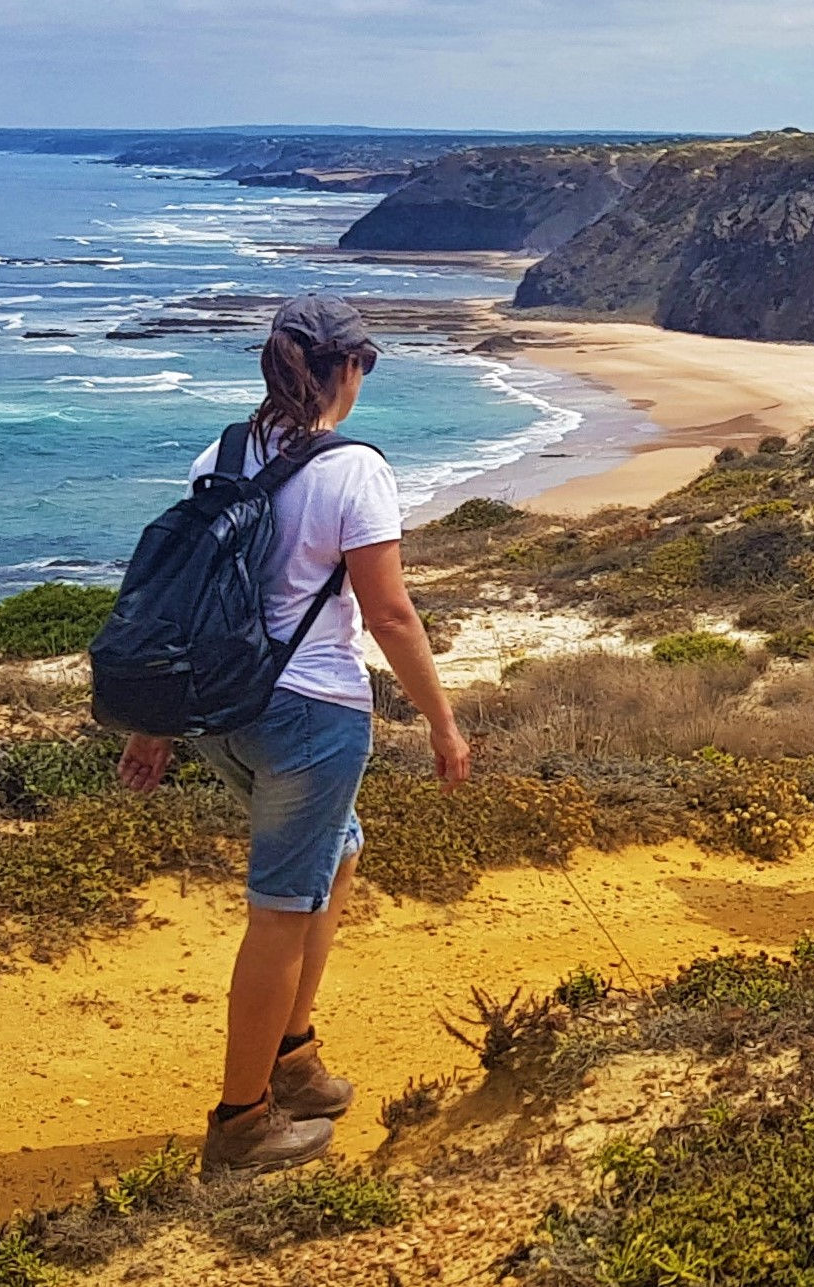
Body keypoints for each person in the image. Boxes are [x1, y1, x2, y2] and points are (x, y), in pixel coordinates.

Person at [117, 294, 470, 1178]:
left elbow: (183, 600)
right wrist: (443, 720)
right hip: (312, 715)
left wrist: (156, 725)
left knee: (338, 852)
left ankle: (294, 1056)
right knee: (280, 909)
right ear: (343, 368)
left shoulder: (222, 453)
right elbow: (388, 612)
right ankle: (242, 1121)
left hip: (223, 716)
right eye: (364, 366)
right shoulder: (356, 470)